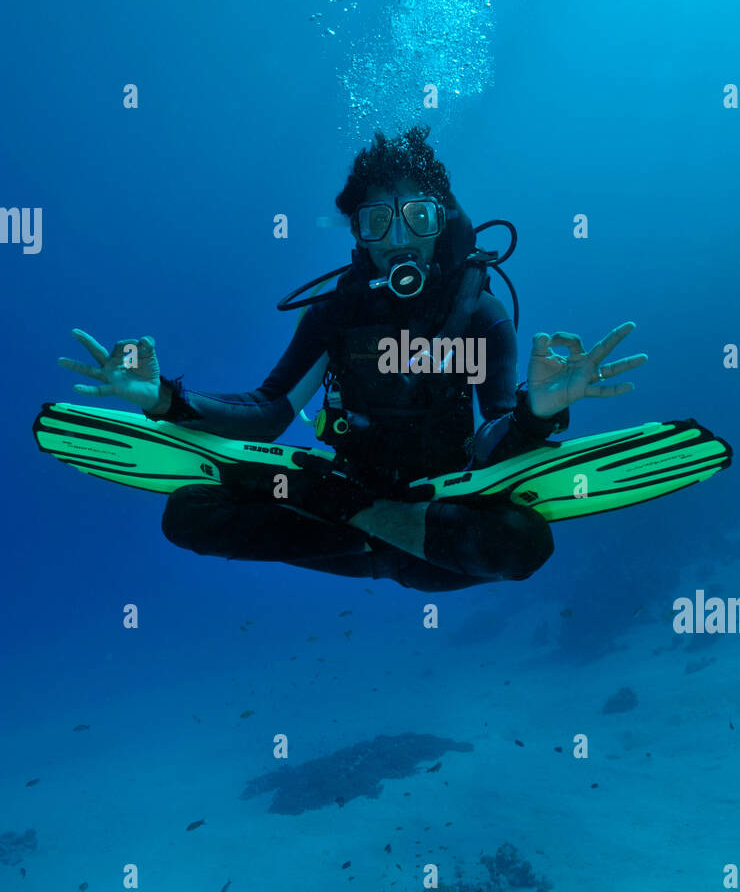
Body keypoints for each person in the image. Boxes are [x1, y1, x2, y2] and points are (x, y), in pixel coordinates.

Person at [59, 127, 646, 590]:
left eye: (417, 216)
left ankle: (380, 539)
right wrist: (163, 399)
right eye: (376, 220)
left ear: (441, 224)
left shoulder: (481, 316)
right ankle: (385, 540)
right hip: (349, 498)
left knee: (524, 546)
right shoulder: (335, 314)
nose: (399, 237)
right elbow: (268, 412)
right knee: (187, 514)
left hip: (435, 505)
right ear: (358, 233)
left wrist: (538, 411)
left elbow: (495, 443)